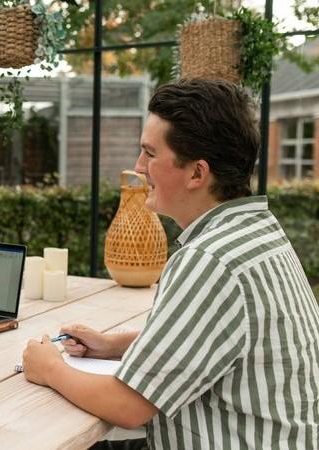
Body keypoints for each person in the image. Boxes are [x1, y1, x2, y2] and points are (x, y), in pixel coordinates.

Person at [22, 79, 319, 449]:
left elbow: (128, 406)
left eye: (150, 153)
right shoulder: (257, 233)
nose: (138, 166)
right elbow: (216, 341)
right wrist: (113, 345)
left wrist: (49, 367)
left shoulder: (210, 259)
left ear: (197, 173)